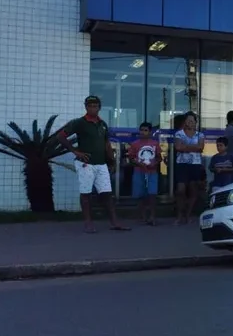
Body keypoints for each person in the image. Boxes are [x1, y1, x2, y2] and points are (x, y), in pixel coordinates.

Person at [57, 95, 129, 233]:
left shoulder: (102, 124)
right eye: (89, 106)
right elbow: (60, 136)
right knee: (86, 194)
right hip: (85, 164)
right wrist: (75, 151)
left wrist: (112, 161)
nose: (92, 108)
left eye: (95, 106)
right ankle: (88, 223)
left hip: (101, 164)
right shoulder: (78, 122)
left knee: (107, 194)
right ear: (85, 107)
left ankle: (115, 222)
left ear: (99, 107)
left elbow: (106, 144)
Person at [173, 112, 205, 225]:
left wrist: (185, 147)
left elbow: (201, 148)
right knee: (180, 190)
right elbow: (178, 147)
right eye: (188, 120)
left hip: (195, 164)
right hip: (182, 164)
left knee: (193, 191)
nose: (190, 123)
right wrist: (193, 147)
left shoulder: (200, 135)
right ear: (184, 122)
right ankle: (179, 215)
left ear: (196, 122)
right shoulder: (179, 134)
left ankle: (188, 214)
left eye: (192, 121)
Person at [128, 121, 161, 225]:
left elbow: (159, 158)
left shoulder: (155, 144)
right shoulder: (135, 144)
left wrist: (154, 163)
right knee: (140, 195)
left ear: (150, 132)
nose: (143, 132)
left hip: (152, 172)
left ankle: (152, 216)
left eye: (145, 130)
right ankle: (142, 215)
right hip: (139, 171)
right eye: (141, 130)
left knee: (152, 194)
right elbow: (131, 158)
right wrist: (138, 164)